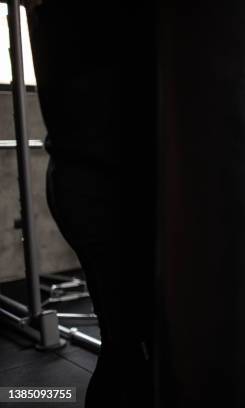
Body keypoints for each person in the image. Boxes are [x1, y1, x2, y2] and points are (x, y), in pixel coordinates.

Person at [25, 2, 156, 407]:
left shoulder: (56, 18)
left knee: (130, 340)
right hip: (106, 191)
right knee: (130, 344)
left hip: (83, 183)